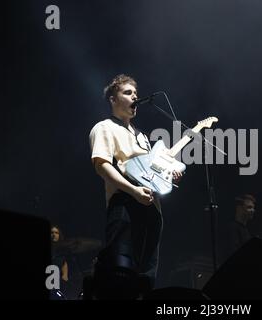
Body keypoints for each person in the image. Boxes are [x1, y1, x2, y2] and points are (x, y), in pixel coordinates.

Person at [89, 74, 181, 298]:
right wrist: (133, 190)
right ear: (113, 99)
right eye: (128, 93)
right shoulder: (104, 127)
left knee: (145, 279)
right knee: (120, 274)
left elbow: (151, 173)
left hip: (152, 209)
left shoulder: (143, 137)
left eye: (136, 94)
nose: (135, 97)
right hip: (126, 204)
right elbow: (102, 166)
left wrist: (169, 174)